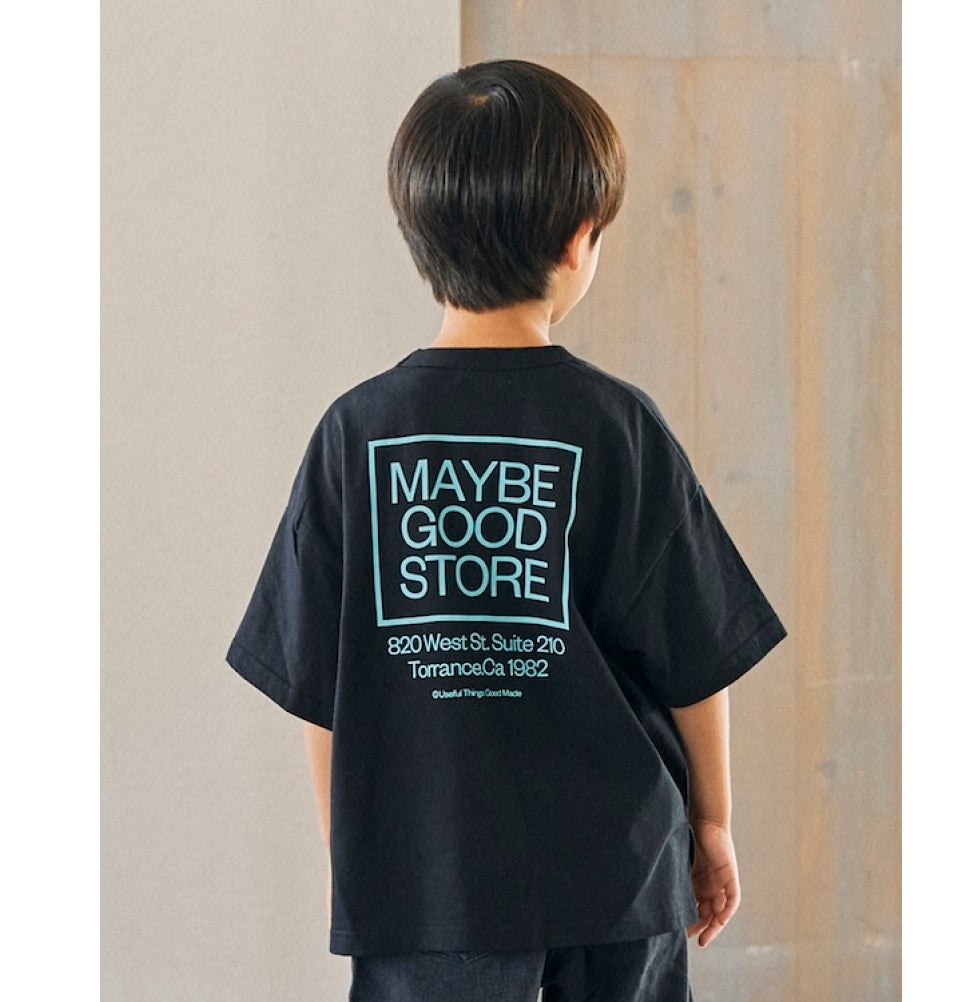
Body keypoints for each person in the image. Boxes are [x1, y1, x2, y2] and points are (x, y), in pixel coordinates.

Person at [225, 58, 788, 1002]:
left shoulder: (355, 433)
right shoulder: (617, 425)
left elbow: (321, 685)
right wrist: (714, 825)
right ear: (577, 239)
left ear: (417, 234)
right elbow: (695, 657)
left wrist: (357, 855)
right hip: (615, 879)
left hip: (424, 889)